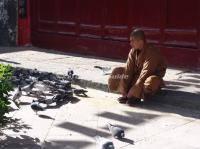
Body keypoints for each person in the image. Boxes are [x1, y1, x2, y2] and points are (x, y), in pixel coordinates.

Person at [108, 28, 167, 106]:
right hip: (136, 77)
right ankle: (128, 94)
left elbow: (146, 73)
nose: (130, 43)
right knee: (117, 72)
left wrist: (134, 91)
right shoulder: (133, 51)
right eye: (130, 41)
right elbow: (128, 70)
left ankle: (136, 96)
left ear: (140, 41)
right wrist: (124, 89)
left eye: (132, 41)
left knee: (151, 82)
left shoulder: (152, 52)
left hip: (148, 78)